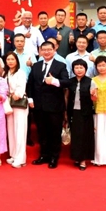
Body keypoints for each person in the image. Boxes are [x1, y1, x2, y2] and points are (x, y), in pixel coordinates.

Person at [28, 41, 70, 169]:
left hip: (54, 106)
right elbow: (30, 84)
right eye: (44, 50)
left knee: (54, 132)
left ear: (54, 50)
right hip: (39, 106)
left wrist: (54, 81)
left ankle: (54, 157)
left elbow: (66, 82)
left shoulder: (61, 65)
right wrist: (30, 99)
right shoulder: (36, 66)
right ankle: (43, 155)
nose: (46, 52)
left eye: (49, 50)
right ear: (40, 51)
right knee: (42, 132)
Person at [67, 59, 94, 171]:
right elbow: (66, 96)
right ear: (73, 69)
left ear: (85, 69)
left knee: (84, 136)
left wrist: (93, 95)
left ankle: (83, 160)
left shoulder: (90, 81)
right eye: (76, 68)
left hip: (85, 112)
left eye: (81, 67)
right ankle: (76, 158)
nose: (79, 70)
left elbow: (94, 98)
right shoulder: (70, 81)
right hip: (73, 111)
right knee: (76, 136)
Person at [4, 52, 27, 168]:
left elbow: (20, 90)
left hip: (19, 104)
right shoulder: (6, 73)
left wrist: (14, 94)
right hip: (9, 104)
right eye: (8, 59)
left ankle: (20, 158)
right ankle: (13, 155)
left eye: (12, 59)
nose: (10, 61)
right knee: (11, 130)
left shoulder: (20, 73)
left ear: (17, 61)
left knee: (20, 131)